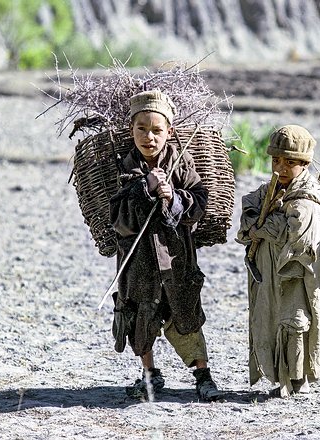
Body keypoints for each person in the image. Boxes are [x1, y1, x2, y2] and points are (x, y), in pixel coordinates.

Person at [108, 89, 222, 402]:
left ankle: (203, 376)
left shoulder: (181, 164)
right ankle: (149, 375)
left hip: (176, 259)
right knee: (140, 318)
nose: (149, 137)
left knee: (186, 314)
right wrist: (144, 188)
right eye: (141, 129)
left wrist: (173, 197)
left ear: (169, 132)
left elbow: (199, 202)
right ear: (131, 130)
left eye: (157, 130)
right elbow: (118, 218)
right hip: (139, 263)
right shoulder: (124, 167)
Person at [236, 124, 320, 398]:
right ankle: (280, 380)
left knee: (295, 323)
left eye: (290, 162)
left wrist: (261, 227)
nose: (281, 168)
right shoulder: (271, 190)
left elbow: (297, 235)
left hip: (296, 276)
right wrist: (257, 223)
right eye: (276, 161)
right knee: (272, 320)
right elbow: (249, 209)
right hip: (270, 273)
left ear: (304, 163)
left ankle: (298, 381)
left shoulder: (309, 199)